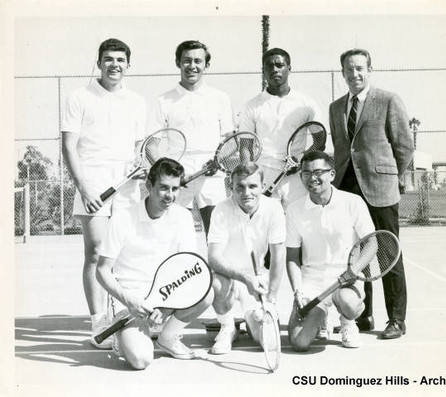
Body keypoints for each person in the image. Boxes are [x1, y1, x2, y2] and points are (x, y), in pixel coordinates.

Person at [61, 38, 147, 349]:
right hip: (93, 181)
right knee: (96, 251)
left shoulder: (137, 101)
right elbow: (69, 146)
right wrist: (83, 188)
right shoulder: (79, 97)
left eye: (120, 59)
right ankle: (99, 321)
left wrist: (139, 163)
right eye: (108, 59)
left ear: (128, 65)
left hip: (127, 185)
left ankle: (123, 312)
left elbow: (139, 148)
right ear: (98, 63)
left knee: (122, 253)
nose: (114, 64)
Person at [96, 158, 213, 370]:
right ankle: (122, 335)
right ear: (148, 186)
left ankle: (167, 338)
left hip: (166, 296)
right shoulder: (122, 217)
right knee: (140, 360)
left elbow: (189, 269)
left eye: (175, 189)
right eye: (163, 188)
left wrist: (167, 306)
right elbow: (102, 271)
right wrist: (129, 300)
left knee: (207, 293)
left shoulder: (184, 217)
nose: (170, 196)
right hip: (130, 299)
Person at [329, 48, 414, 339]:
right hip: (347, 190)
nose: (354, 74)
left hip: (381, 190)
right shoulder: (335, 107)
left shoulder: (389, 100)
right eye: (349, 70)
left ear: (370, 69)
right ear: (343, 73)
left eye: (360, 68)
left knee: (388, 254)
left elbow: (404, 147)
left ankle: (397, 320)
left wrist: (392, 178)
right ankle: (362, 315)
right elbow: (343, 149)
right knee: (356, 256)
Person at [286, 151, 375, 351]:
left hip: (346, 278)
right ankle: (321, 317)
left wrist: (355, 269)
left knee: (348, 303)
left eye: (319, 172)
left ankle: (347, 322)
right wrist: (298, 290)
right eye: (306, 173)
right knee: (299, 342)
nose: (312, 178)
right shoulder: (293, 209)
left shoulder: (353, 202)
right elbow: (292, 257)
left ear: (332, 174)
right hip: (312, 281)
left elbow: (372, 244)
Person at [148, 40, 234, 235]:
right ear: (178, 63)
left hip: (212, 175)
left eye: (198, 61)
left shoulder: (220, 97)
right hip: (179, 176)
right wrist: (170, 173)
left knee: (216, 236)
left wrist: (218, 161)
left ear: (206, 65)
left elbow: (231, 140)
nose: (192, 66)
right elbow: (151, 146)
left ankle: (216, 267)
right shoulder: (163, 100)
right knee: (175, 235)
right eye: (186, 61)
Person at [207, 162, 286, 354]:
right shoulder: (220, 209)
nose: (246, 193)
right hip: (229, 277)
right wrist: (245, 278)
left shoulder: (274, 208)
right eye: (239, 187)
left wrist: (272, 300)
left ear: (262, 185)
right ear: (231, 187)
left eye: (252, 186)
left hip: (259, 278)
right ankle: (227, 327)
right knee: (215, 282)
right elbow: (214, 258)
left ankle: (252, 319)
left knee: (270, 343)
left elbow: (278, 255)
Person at [237, 48, 323, 210]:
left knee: (299, 224)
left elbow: (320, 141)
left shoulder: (306, 103)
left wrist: (301, 160)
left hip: (297, 176)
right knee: (265, 227)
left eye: (279, 65)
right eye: (269, 66)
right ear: (263, 70)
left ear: (289, 68)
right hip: (264, 173)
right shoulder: (251, 106)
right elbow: (245, 147)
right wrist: (250, 176)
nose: (274, 69)